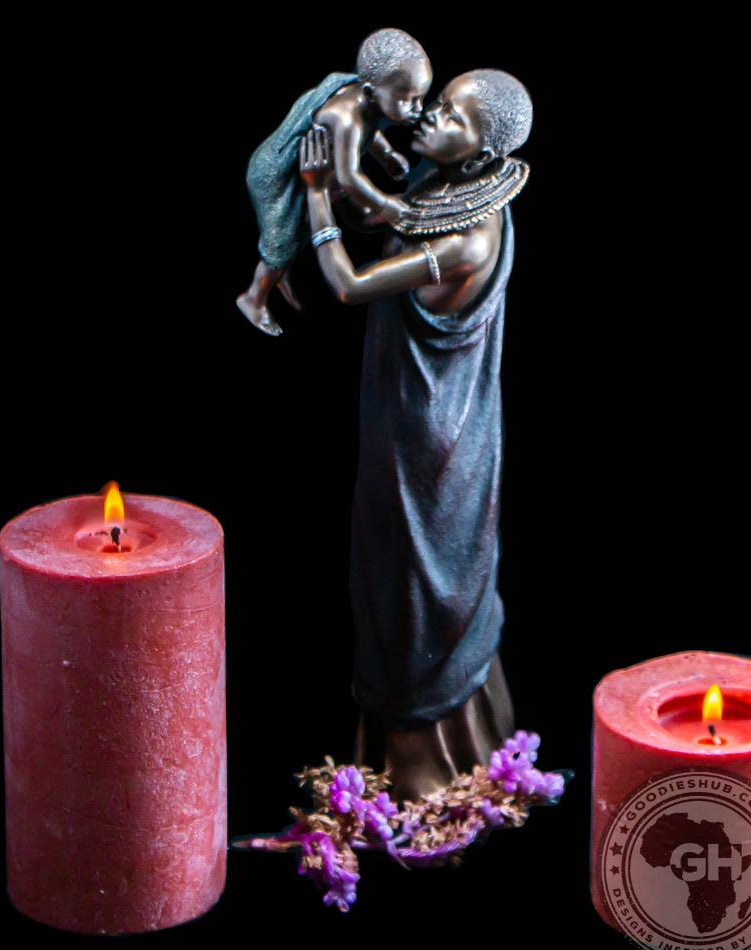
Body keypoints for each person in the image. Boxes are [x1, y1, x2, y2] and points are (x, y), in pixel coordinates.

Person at [298, 69, 533, 802]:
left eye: (454, 117)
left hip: (431, 438)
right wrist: (350, 163)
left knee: (418, 584)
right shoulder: (445, 183)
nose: (431, 115)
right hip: (400, 408)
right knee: (387, 575)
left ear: (485, 152)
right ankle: (444, 744)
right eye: (441, 101)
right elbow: (390, 212)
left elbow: (348, 284)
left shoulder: (470, 237)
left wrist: (315, 194)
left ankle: (422, 767)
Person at [236, 28, 432, 337]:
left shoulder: (364, 99)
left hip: (312, 172)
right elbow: (349, 177)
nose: (418, 109)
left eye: (420, 98)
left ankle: (280, 273)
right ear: (369, 92)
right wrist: (384, 204)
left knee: (308, 227)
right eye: (409, 100)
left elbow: (369, 129)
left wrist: (386, 155)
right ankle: (254, 298)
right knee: (281, 243)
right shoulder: (345, 117)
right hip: (275, 177)